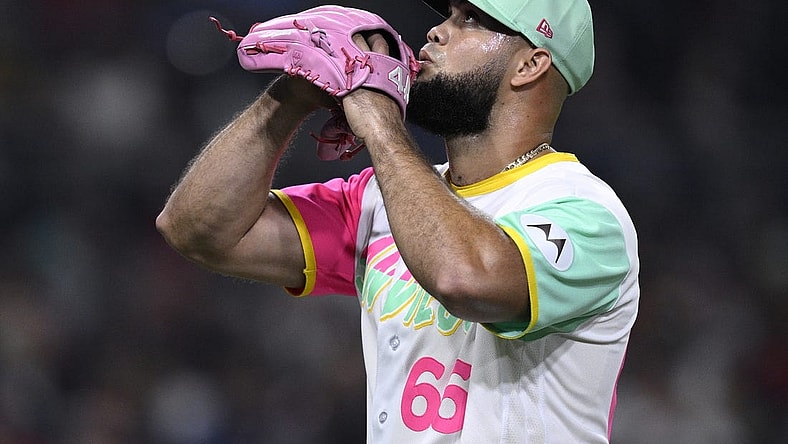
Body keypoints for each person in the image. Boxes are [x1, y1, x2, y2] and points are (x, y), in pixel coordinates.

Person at [156, 0, 640, 442]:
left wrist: (379, 122)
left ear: (531, 64)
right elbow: (198, 230)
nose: (436, 32)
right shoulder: (381, 196)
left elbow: (465, 277)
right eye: (447, 14)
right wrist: (290, 96)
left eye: (469, 20)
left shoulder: (586, 214)